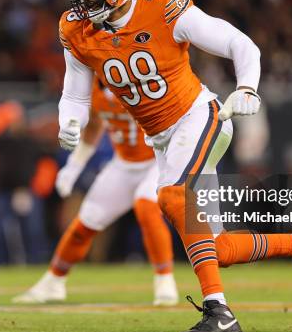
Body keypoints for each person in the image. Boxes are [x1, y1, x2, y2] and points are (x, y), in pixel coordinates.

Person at [57, 0, 292, 332]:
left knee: (172, 196)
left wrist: (247, 87)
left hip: (198, 116)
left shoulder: (164, 6)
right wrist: (70, 118)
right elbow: (75, 92)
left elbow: (240, 44)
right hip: (162, 138)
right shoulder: (77, 28)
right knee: (218, 248)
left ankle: (219, 312)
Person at [13, 79, 178, 306]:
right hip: (123, 164)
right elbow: (93, 127)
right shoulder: (93, 88)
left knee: (146, 207)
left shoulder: (142, 76)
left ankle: (164, 279)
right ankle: (54, 282)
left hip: (157, 161)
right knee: (86, 222)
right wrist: (73, 167)